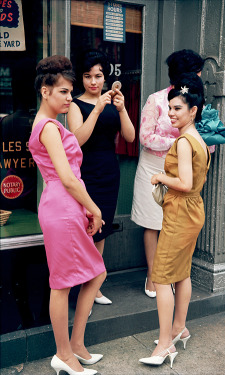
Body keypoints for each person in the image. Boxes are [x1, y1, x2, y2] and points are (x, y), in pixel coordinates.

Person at [29, 55, 107, 375]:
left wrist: (84, 208)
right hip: (62, 207)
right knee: (62, 284)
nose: (68, 97)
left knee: (95, 273)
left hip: (66, 206)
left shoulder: (53, 125)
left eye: (69, 91)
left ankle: (75, 345)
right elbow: (67, 178)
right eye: (62, 91)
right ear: (45, 91)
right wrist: (94, 208)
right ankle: (64, 353)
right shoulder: (47, 127)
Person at [139, 73, 211, 368]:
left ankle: (166, 344)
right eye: (169, 108)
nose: (171, 113)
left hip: (181, 210)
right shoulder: (199, 140)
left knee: (162, 277)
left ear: (193, 110)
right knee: (182, 272)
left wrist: (159, 176)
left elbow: (183, 181)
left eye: (177, 108)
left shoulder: (183, 142)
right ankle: (179, 328)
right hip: (193, 210)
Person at [131, 49, 211, 298]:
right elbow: (144, 137)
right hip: (154, 168)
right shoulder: (156, 100)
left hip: (182, 171)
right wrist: (178, 142)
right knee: (153, 223)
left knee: (174, 224)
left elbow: (207, 141)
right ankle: (153, 276)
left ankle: (172, 274)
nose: (200, 75)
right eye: (197, 71)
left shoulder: (197, 102)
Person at [67, 49, 135, 305]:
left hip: (109, 171)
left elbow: (129, 137)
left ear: (106, 76)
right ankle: (82, 286)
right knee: (85, 228)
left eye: (98, 76)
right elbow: (77, 140)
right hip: (85, 173)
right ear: (81, 78)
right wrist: (96, 109)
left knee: (102, 230)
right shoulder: (75, 104)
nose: (93, 82)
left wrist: (123, 109)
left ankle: (94, 286)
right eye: (87, 76)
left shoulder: (113, 102)